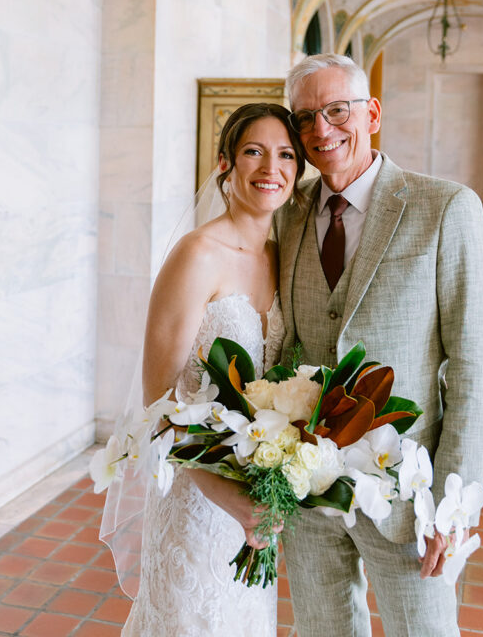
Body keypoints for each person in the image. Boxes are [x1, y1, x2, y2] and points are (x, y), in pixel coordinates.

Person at [276, 53, 483, 637]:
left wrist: (451, 509)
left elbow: (476, 366)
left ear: (371, 114)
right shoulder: (291, 212)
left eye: (336, 110)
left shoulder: (445, 207)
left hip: (409, 495)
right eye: (304, 118)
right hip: (307, 488)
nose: (321, 130)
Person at [116, 102, 306, 637]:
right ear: (225, 161)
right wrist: (226, 496)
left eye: (286, 154)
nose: (272, 168)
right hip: (196, 499)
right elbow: (157, 406)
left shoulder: (282, 257)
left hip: (257, 499)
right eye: (254, 151)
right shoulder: (196, 255)